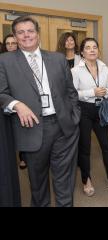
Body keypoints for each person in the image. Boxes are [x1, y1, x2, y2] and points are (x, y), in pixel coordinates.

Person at [0, 16, 80, 207]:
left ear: (37, 33)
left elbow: (71, 92)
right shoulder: (4, 61)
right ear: (15, 36)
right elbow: (1, 92)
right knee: (38, 184)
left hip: (63, 127)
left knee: (65, 181)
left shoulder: (58, 59)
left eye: (30, 31)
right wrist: (17, 104)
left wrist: (74, 117)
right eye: (20, 32)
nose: (26, 35)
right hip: (31, 129)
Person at [72, 38, 108, 197]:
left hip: (101, 109)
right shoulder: (75, 70)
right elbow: (72, 94)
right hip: (84, 110)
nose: (92, 50)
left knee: (106, 145)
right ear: (82, 52)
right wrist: (91, 92)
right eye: (88, 47)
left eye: (95, 47)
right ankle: (86, 179)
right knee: (85, 147)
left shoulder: (104, 67)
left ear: (98, 50)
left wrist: (105, 92)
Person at [1, 34, 27, 170]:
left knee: (23, 129)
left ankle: (23, 157)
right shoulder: (2, 61)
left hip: (21, 101)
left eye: (13, 43)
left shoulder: (23, 60)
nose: (11, 46)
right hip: (5, 103)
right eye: (8, 44)